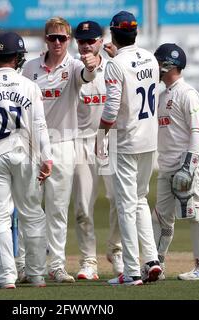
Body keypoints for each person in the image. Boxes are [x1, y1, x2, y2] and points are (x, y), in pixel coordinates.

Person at [0, 32, 53, 289]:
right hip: (25, 154)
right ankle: (37, 275)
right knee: (33, 214)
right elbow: (40, 125)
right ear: (19, 57)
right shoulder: (30, 85)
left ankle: (5, 277)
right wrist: (46, 158)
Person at [16, 16, 98, 283]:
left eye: (62, 38)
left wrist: (93, 65)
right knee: (30, 207)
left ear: (69, 40)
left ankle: (57, 265)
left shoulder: (75, 66)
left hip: (64, 143)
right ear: (45, 39)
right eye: (53, 38)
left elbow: (87, 75)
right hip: (33, 145)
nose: (58, 43)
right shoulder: (30, 68)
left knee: (58, 208)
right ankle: (28, 265)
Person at [96, 11, 162, 286]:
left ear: (113, 35)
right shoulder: (150, 58)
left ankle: (132, 271)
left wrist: (101, 133)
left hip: (126, 141)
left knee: (125, 204)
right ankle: (152, 261)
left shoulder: (115, 64)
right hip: (149, 139)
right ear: (134, 33)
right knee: (139, 200)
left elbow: (112, 106)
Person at [152, 43, 199, 281]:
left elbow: (198, 132)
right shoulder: (161, 95)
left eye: (158, 63)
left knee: (197, 211)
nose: (155, 68)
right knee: (160, 217)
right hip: (167, 165)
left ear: (168, 65)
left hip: (187, 164)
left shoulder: (187, 93)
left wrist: (187, 167)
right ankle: (155, 266)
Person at [72, 20, 123, 280]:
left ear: (101, 42)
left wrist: (119, 57)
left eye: (91, 40)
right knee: (82, 206)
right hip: (81, 141)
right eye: (81, 41)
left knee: (118, 200)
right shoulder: (71, 69)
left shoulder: (115, 66)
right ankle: (88, 261)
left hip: (110, 141)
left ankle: (116, 251)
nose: (86, 45)